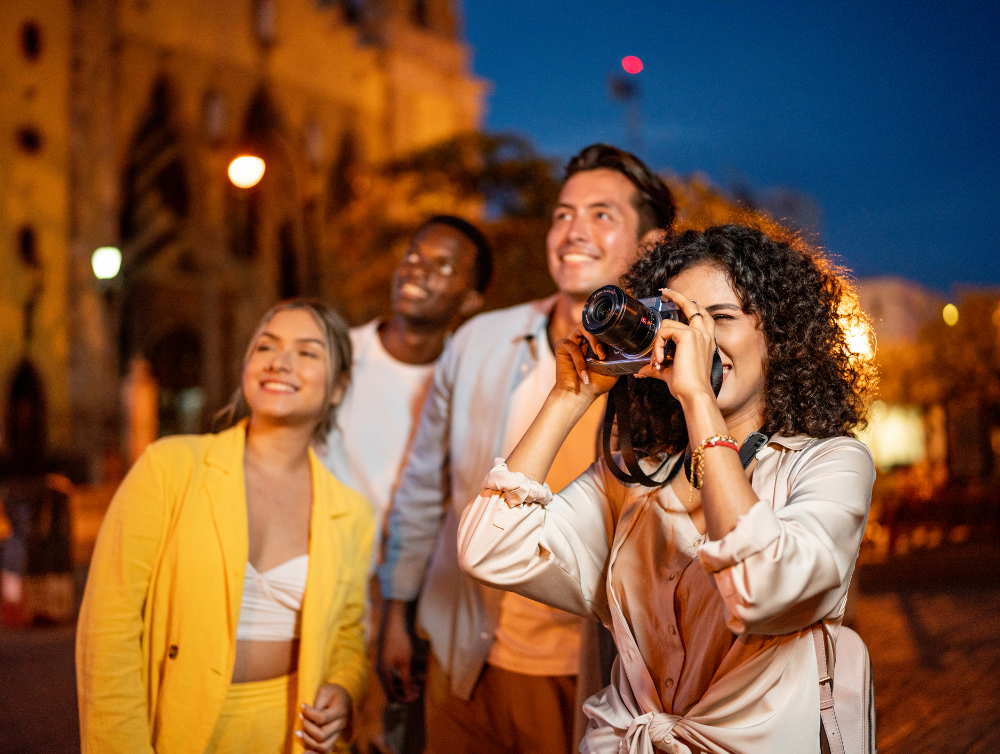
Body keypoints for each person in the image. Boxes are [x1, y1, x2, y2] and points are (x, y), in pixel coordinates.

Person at [457, 224, 878, 753]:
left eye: (719, 319)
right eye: (682, 322)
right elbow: (489, 550)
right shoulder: (635, 478)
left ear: (781, 335)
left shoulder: (828, 462)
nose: (696, 339)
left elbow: (762, 589)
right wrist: (569, 396)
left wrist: (700, 401)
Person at [377, 144, 676, 754]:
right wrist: (397, 609)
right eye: (563, 214)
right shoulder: (478, 341)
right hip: (466, 659)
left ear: (650, 244)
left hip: (590, 671)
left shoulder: (669, 367)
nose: (573, 232)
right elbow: (424, 485)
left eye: (601, 215)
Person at [76, 299, 374, 754]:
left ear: (339, 387)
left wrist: (344, 689)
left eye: (308, 352)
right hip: (178, 728)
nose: (280, 362)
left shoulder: (350, 512)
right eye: (266, 347)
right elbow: (108, 630)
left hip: (293, 736)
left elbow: (349, 631)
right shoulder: (170, 468)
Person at [321, 215, 492, 753]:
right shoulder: (338, 359)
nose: (416, 269)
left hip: (410, 605)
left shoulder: (467, 386)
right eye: (413, 254)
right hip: (324, 596)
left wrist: (400, 611)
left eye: (442, 265)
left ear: (469, 301)